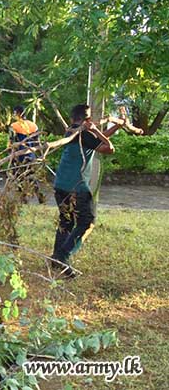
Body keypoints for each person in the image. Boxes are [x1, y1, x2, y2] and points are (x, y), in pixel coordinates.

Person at [51, 104, 123, 278]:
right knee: (87, 221)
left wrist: (116, 126)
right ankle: (63, 255)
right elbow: (109, 148)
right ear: (88, 120)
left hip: (60, 184)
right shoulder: (86, 134)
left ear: (71, 119)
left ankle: (56, 259)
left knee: (66, 222)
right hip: (76, 187)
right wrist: (97, 130)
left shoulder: (71, 131)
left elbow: (96, 140)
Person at [9, 105, 45, 203]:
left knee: (18, 176)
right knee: (31, 176)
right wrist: (41, 155)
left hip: (18, 155)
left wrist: (11, 157)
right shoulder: (33, 125)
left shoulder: (14, 126)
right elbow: (38, 142)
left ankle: (23, 198)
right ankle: (39, 195)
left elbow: (12, 142)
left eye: (14, 113)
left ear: (18, 113)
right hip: (31, 155)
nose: (13, 115)